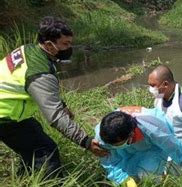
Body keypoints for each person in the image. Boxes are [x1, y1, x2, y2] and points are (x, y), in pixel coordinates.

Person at [0, 16, 106, 178]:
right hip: (4, 117)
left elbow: (41, 91)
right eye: (65, 44)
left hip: (10, 113)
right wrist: (86, 142)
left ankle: (25, 176)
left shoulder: (29, 49)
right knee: (46, 151)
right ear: (49, 45)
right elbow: (55, 117)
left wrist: (61, 104)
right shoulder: (39, 72)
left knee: (33, 134)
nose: (69, 48)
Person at [94, 107, 182, 187]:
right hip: (126, 152)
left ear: (131, 135)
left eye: (118, 144)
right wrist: (124, 180)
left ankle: (160, 186)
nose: (113, 147)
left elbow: (174, 147)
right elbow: (108, 161)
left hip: (152, 147)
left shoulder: (154, 128)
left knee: (147, 175)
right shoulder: (104, 137)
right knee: (130, 179)